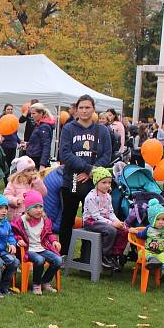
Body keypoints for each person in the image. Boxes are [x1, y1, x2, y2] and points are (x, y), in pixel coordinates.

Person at [58, 94, 112, 256]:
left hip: (94, 183)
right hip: (71, 180)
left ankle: (87, 257)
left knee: (93, 219)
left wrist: (90, 172)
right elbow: (65, 154)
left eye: (87, 107)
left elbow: (107, 155)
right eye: (81, 107)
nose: (84, 110)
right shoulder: (69, 128)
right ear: (76, 109)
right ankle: (64, 254)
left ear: (93, 109)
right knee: (68, 218)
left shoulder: (102, 130)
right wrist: (88, 168)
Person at [11, 190, 62, 295]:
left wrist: (54, 241)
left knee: (58, 260)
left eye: (41, 207)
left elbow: (48, 234)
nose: (39, 210)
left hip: (42, 247)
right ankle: (36, 284)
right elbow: (14, 233)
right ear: (28, 209)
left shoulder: (44, 220)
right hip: (28, 249)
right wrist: (19, 239)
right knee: (39, 260)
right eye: (35, 207)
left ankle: (45, 281)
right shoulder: (21, 221)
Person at [82, 167, 127, 270]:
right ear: (96, 183)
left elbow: (110, 212)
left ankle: (115, 254)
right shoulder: (91, 197)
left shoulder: (108, 196)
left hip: (103, 221)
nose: (107, 185)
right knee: (111, 230)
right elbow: (96, 216)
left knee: (123, 230)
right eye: (104, 182)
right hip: (91, 222)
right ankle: (104, 255)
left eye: (109, 182)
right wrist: (112, 224)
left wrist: (117, 221)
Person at [135, 198, 164, 284]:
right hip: (149, 251)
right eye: (158, 219)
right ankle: (152, 261)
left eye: (163, 219)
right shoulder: (148, 228)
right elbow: (142, 235)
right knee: (142, 252)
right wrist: (135, 232)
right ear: (152, 219)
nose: (161, 222)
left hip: (161, 252)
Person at [3, 156, 47, 221]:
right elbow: (6, 196)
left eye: (33, 169)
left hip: (32, 214)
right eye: (28, 170)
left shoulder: (35, 182)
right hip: (18, 215)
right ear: (21, 172)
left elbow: (43, 193)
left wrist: (37, 182)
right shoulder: (14, 182)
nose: (32, 172)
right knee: (19, 230)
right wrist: (15, 200)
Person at [24, 103, 55, 169]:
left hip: (37, 159)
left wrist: (42, 164)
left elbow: (46, 146)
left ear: (41, 113)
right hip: (33, 157)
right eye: (31, 114)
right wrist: (28, 145)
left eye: (34, 113)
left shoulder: (44, 127)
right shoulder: (39, 125)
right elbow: (38, 142)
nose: (31, 116)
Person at [0, 103, 19, 179]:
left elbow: (15, 133)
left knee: (11, 164)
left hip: (13, 145)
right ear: (4, 110)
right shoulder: (0, 118)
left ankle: (9, 178)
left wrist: (19, 142)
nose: (10, 111)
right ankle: (4, 179)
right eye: (8, 109)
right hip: (4, 145)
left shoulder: (14, 119)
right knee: (5, 164)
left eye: (11, 109)